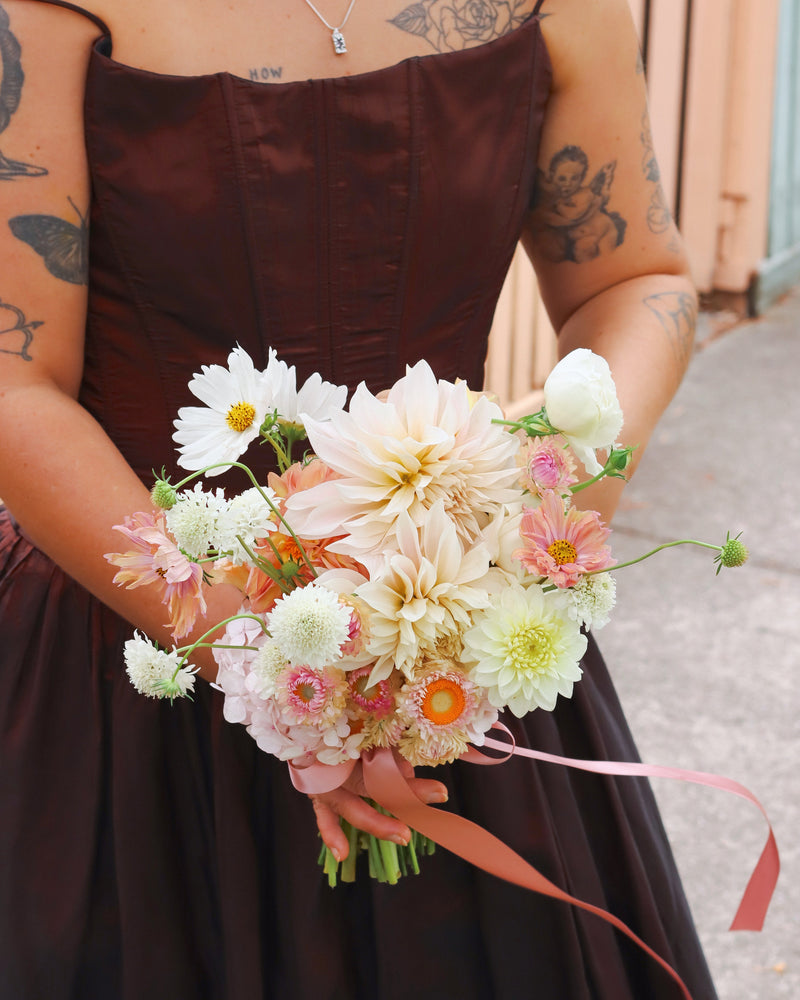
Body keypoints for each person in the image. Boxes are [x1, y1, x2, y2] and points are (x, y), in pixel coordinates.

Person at [0, 0, 716, 997]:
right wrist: (287, 678)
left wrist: (534, 535)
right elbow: (13, 382)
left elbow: (638, 277)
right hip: (139, 659)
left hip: (449, 660)